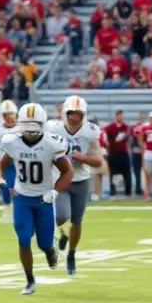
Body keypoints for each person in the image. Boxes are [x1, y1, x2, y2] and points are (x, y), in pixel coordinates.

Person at [0, 104, 73, 295]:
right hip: (22, 199)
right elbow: (1, 163)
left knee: (44, 243)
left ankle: (50, 250)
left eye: (34, 125)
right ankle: (30, 280)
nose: (31, 130)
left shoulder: (51, 144)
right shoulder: (12, 141)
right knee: (23, 239)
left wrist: (55, 191)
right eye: (27, 125)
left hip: (44, 200)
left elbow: (68, 171)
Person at [45, 96, 103, 275]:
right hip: (61, 178)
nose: (74, 118)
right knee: (61, 215)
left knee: (77, 220)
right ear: (64, 113)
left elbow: (98, 161)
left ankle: (71, 254)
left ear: (83, 115)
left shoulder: (90, 132)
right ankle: (59, 234)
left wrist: (82, 158)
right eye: (71, 113)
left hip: (81, 179)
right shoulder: (52, 128)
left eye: (78, 114)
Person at [104, 110, 133, 198]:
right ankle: (113, 191)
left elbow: (129, 140)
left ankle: (128, 192)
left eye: (121, 115)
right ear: (115, 116)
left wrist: (127, 147)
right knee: (112, 173)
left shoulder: (126, 127)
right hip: (113, 152)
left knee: (127, 172)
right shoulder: (109, 128)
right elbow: (107, 141)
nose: (120, 117)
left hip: (123, 152)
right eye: (118, 115)